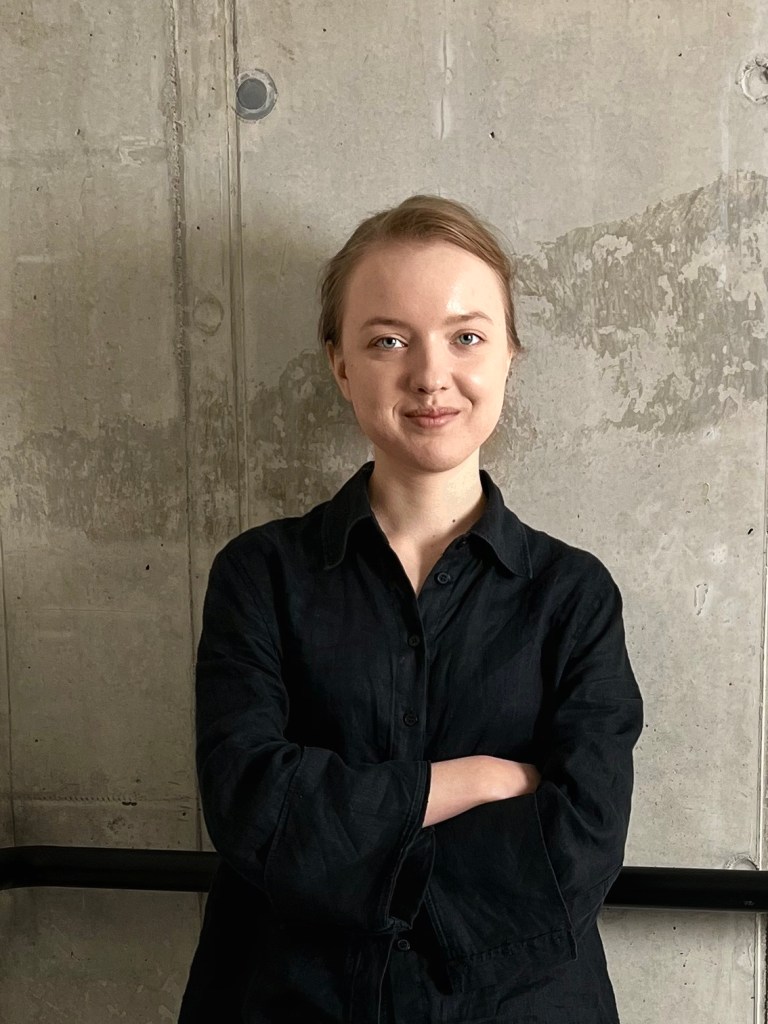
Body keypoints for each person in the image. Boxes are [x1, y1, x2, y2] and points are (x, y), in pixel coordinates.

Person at [178, 195, 644, 1024]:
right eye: (388, 340)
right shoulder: (260, 576)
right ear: (339, 364)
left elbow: (579, 846)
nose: (431, 375)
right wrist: (470, 782)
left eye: (466, 337)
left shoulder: (574, 596)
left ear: (509, 354)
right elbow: (251, 803)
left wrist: (343, 853)